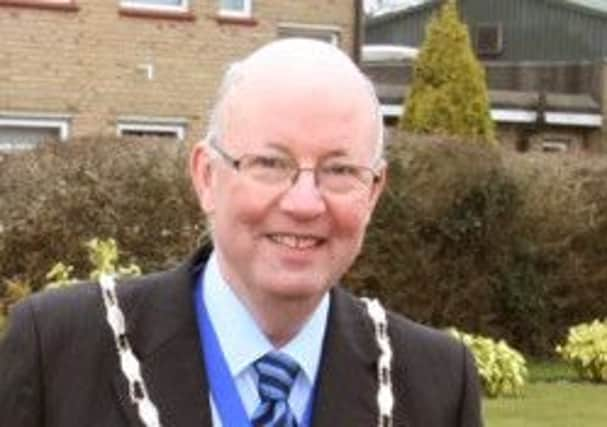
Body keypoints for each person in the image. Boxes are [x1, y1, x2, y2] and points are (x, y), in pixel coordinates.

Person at [0, 39, 482, 427]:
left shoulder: (434, 383)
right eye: (270, 164)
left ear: (373, 192)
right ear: (207, 177)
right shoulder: (62, 350)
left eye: (339, 170)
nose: (304, 202)